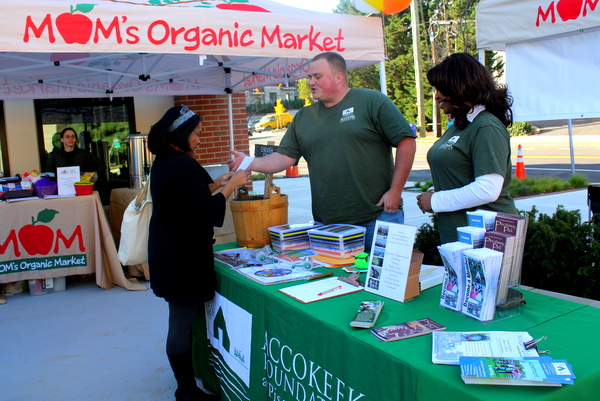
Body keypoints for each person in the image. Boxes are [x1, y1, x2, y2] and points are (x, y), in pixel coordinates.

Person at [230, 51, 416, 248]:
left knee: (384, 278)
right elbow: (284, 158)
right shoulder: (304, 117)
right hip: (328, 226)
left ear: (339, 77)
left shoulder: (372, 101)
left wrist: (395, 192)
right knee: (335, 279)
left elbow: (407, 142)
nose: (311, 82)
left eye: (317, 76)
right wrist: (248, 162)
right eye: (309, 77)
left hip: (378, 217)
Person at [147, 105, 251, 401]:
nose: (199, 140)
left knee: (179, 321)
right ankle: (187, 391)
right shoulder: (180, 163)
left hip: (169, 251)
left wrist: (214, 184)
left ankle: (186, 385)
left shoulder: (166, 161)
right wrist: (230, 186)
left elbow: (188, 197)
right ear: (181, 132)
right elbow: (205, 212)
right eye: (196, 134)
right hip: (182, 257)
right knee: (180, 325)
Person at [416, 52, 519, 244]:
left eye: (439, 88)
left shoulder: (486, 126)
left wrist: (436, 201)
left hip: (487, 238)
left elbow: (488, 189)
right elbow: (460, 174)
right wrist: (435, 191)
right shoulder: (462, 124)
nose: (436, 95)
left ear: (458, 88)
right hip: (461, 235)